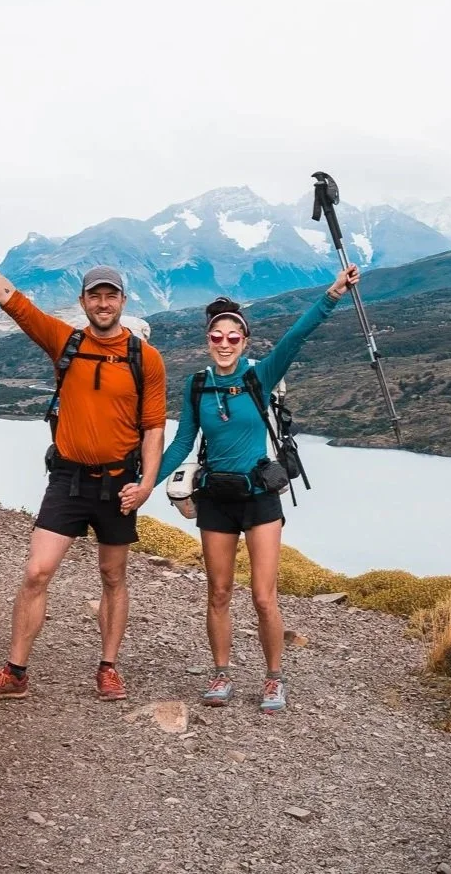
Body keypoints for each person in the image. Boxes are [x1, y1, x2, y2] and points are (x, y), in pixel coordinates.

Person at [0, 231, 167, 702]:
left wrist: (147, 483)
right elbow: (11, 299)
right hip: (67, 479)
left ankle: (108, 667)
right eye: (95, 296)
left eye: (111, 295)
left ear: (123, 301)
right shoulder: (64, 341)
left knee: (113, 577)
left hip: (119, 483)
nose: (103, 303)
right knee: (37, 573)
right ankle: (15, 672)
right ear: (83, 301)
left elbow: (153, 428)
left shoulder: (145, 358)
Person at [159, 265, 359, 713]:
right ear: (207, 341)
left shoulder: (259, 377)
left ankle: (273, 678)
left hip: (259, 498)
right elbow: (181, 445)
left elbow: (296, 337)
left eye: (234, 337)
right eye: (217, 336)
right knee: (219, 592)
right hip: (215, 499)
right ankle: (221, 673)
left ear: (245, 342)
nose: (225, 343)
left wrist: (333, 293)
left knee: (264, 596)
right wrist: (141, 486)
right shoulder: (197, 386)